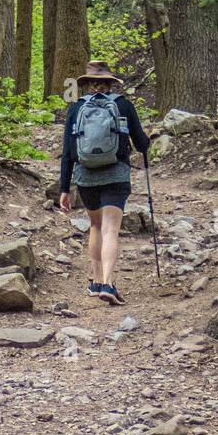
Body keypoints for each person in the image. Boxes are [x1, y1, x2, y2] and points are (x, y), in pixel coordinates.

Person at [58, 61, 150, 306]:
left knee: (95, 226)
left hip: (86, 177)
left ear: (87, 83)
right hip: (116, 174)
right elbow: (141, 143)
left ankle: (96, 281)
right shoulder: (122, 105)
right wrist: (144, 143)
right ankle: (108, 284)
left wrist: (64, 189)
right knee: (111, 229)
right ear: (111, 83)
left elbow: (67, 152)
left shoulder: (76, 109)